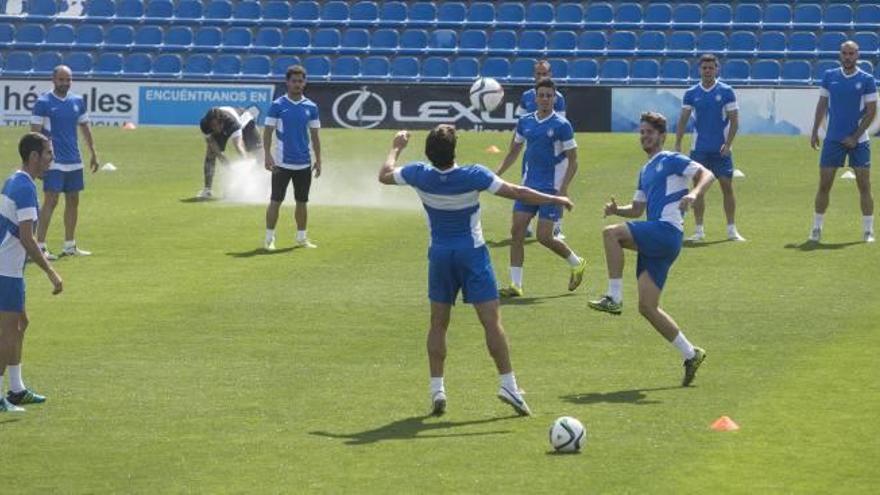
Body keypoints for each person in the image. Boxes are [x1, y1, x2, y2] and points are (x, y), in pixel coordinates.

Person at [378, 125, 574, 417]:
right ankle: (508, 384)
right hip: (472, 254)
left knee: (438, 323)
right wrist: (555, 199)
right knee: (491, 322)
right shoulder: (474, 175)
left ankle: (437, 390)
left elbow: (384, 175)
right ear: (454, 150)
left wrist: (396, 146)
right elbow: (517, 191)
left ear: (430, 153)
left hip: (440, 256)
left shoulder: (419, 174)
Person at [588, 112, 714, 387]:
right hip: (657, 237)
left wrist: (694, 193)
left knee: (611, 235)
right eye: (641, 132)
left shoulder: (671, 159)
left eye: (649, 132)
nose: (644, 136)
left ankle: (614, 297)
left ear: (661, 136)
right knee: (647, 307)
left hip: (666, 231)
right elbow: (636, 210)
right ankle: (691, 353)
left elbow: (707, 174)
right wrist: (616, 209)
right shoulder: (644, 171)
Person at [495, 78, 586, 298]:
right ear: (535, 98)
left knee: (544, 237)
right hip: (528, 187)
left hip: (551, 190)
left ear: (554, 98)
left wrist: (563, 189)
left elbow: (573, 160)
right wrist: (496, 174)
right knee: (517, 232)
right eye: (541, 95)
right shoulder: (525, 122)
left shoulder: (562, 125)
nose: (545, 99)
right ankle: (516, 285)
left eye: (549, 96)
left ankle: (577, 262)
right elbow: (513, 152)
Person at [0, 133, 64, 413]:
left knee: (20, 324)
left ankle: (16, 389)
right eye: (49, 153)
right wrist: (51, 272)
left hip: (10, 268)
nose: (52, 158)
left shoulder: (14, 179)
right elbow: (27, 238)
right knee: (7, 333)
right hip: (6, 272)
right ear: (34, 157)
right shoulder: (25, 189)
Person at [809, 40, 877, 243]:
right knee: (824, 185)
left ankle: (868, 231)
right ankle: (816, 228)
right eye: (844, 53)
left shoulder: (866, 79)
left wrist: (855, 137)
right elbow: (821, 105)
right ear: (840, 55)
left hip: (860, 141)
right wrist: (814, 131)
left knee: (864, 185)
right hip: (833, 140)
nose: (848, 57)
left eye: (851, 53)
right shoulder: (830, 76)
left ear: (858, 55)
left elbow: (872, 111)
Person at [30, 65, 100, 259]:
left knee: (73, 201)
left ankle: (69, 245)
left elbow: (85, 126)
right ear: (53, 79)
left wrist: (93, 152)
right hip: (53, 161)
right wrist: (38, 164)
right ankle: (41, 246)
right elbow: (34, 133)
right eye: (61, 79)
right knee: (50, 201)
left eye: (68, 79)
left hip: (74, 160)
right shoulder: (43, 102)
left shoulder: (77, 101)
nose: (65, 83)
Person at [674, 54, 744, 242]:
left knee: (727, 187)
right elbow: (683, 119)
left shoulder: (726, 91)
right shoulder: (691, 93)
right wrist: (678, 143)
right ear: (699, 70)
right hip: (699, 150)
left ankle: (731, 230)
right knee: (698, 189)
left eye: (711, 68)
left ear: (717, 69)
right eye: (704, 68)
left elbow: (735, 121)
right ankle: (699, 230)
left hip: (720, 150)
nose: (707, 71)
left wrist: (728, 144)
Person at [263, 65, 322, 250]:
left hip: (304, 163)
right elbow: (267, 132)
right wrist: (267, 155)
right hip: (281, 163)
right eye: (294, 81)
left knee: (302, 202)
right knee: (275, 200)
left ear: (304, 83)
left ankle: (301, 238)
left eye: (300, 81)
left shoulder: (311, 107)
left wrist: (319, 159)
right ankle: (269, 239)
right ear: (287, 82)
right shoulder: (277, 105)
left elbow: (315, 135)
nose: (297, 84)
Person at [517, 60, 567, 239]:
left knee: (558, 188)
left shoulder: (558, 98)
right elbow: (521, 125)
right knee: (527, 186)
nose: (541, 76)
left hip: (553, 154)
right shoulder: (526, 96)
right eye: (538, 74)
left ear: (550, 74)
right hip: (531, 153)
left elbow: (560, 127)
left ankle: (557, 227)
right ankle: (527, 224)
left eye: (544, 73)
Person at [197, 106, 263, 199]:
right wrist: (225, 161)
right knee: (211, 153)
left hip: (246, 123)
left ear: (222, 121)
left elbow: (239, 146)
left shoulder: (232, 123)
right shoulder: (205, 125)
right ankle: (207, 190)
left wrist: (245, 164)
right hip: (226, 126)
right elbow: (212, 144)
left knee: (259, 154)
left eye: (216, 125)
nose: (215, 128)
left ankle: (262, 185)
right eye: (212, 126)